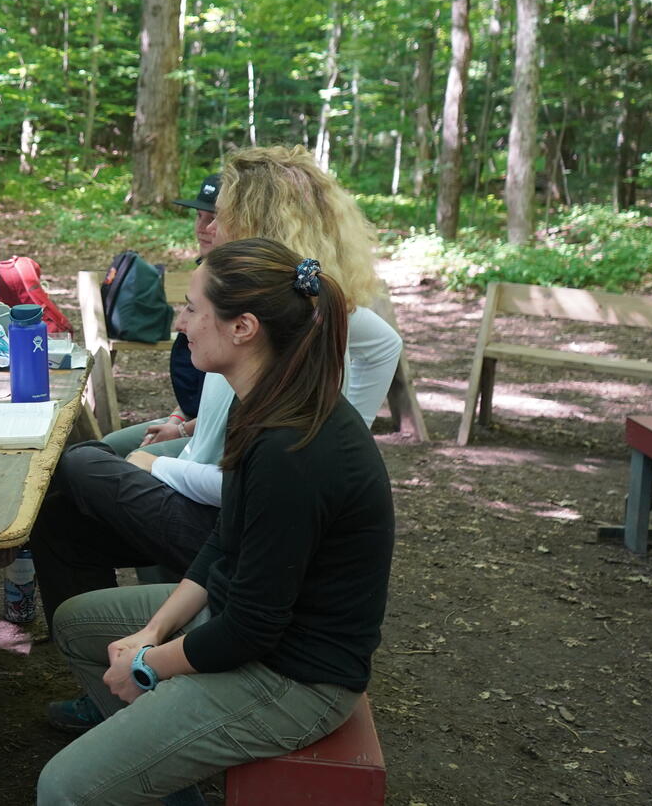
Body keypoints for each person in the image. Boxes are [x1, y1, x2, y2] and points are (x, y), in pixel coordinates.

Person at [32, 145, 403, 733]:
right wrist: (183, 432)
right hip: (214, 480)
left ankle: (127, 672)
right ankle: (105, 665)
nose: (205, 223)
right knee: (66, 499)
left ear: (260, 222)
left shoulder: (283, 309)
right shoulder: (235, 306)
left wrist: (161, 467)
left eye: (218, 212)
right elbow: (227, 428)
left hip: (227, 515)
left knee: (79, 467)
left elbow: (262, 473)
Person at [97, 172, 221, 462]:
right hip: (192, 417)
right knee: (105, 446)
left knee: (120, 462)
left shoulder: (237, 290)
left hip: (219, 432)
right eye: (199, 217)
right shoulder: (206, 272)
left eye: (213, 219)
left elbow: (235, 410)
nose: (203, 228)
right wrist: (176, 421)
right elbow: (197, 389)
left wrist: (181, 431)